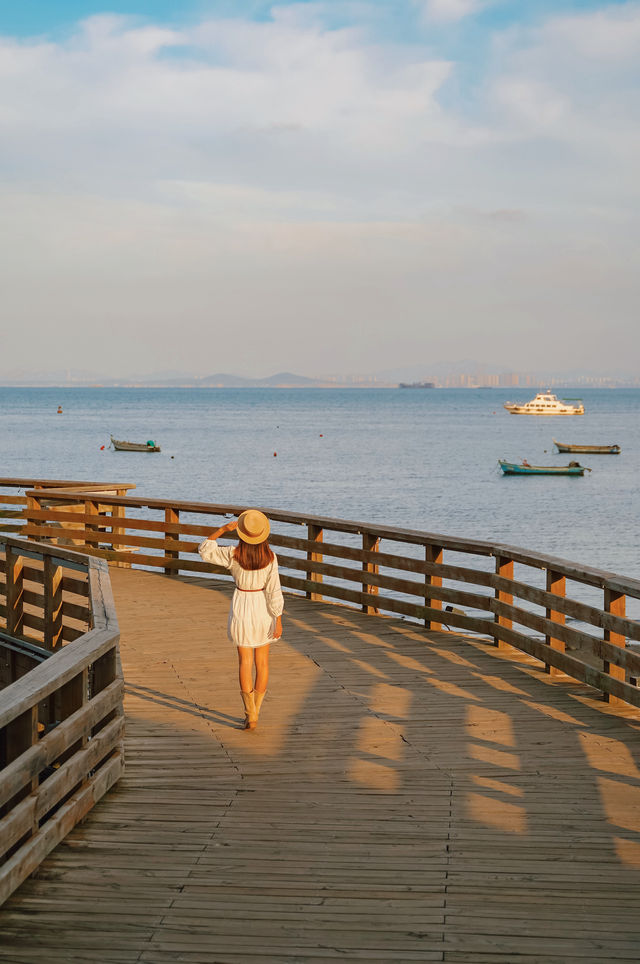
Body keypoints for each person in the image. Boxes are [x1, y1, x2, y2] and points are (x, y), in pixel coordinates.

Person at [198, 509, 284, 730]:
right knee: (262, 662)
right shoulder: (271, 557)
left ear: (242, 533)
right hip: (263, 607)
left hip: (242, 605)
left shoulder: (233, 554)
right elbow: (275, 591)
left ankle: (249, 713)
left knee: (244, 662)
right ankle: (256, 711)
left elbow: (204, 550)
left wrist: (222, 529)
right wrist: (278, 619)